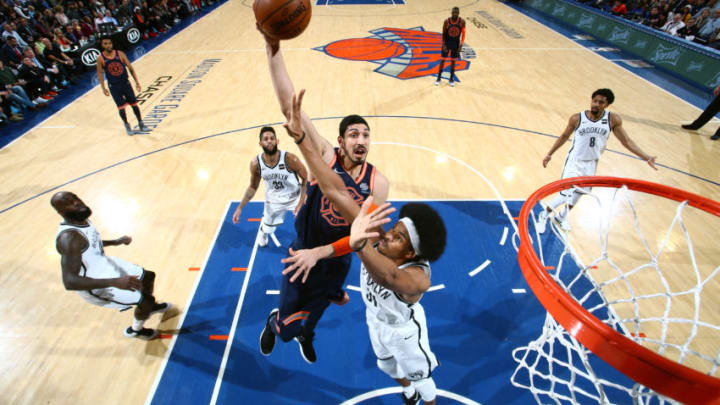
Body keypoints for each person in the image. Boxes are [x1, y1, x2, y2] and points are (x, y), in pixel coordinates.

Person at [278, 90, 447, 405]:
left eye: (397, 236)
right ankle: (407, 391)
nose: (386, 234)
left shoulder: (415, 278)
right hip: (376, 321)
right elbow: (333, 189)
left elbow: (389, 278)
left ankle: (423, 397)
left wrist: (358, 243)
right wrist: (301, 139)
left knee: (424, 383)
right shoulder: (378, 240)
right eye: (392, 227)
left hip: (405, 333)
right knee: (386, 365)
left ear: (410, 254)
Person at [257, 27, 390, 364]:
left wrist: (323, 254)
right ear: (341, 140)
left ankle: (307, 333)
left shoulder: (378, 183)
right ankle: (275, 326)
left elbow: (363, 238)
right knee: (288, 327)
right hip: (301, 256)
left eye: (366, 135)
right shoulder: (324, 159)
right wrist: (273, 48)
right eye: (353, 134)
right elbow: (291, 106)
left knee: (316, 313)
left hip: (335, 259)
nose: (361, 140)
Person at [51, 191, 171, 340]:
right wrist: (115, 282)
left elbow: (90, 243)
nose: (76, 202)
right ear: (61, 212)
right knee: (145, 300)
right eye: (69, 202)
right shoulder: (68, 238)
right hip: (94, 284)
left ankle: (149, 308)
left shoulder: (82, 219)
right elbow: (69, 281)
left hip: (104, 264)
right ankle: (136, 330)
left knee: (148, 276)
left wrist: (115, 242)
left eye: (75, 197)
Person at [537, 89, 657, 232]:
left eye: (601, 102)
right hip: (575, 161)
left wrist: (646, 157)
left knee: (579, 194)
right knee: (566, 194)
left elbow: (627, 142)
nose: (596, 104)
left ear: (607, 105)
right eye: (595, 101)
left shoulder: (613, 120)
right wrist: (550, 154)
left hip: (591, 163)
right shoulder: (577, 118)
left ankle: (561, 217)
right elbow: (564, 136)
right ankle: (544, 215)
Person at [232, 126, 308, 247]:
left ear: (277, 141)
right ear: (260, 143)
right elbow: (252, 187)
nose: (269, 141)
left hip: (295, 197)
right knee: (268, 229)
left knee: (308, 224)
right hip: (274, 200)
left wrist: (300, 203)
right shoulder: (256, 164)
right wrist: (240, 207)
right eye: (266, 139)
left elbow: (305, 179)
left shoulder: (290, 159)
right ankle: (263, 232)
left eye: (272, 138)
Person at [96, 37, 148, 135]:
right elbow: (99, 73)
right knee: (121, 108)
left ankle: (141, 123)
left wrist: (137, 82)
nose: (108, 45)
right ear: (102, 45)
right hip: (114, 86)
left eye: (110, 43)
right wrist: (103, 88)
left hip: (125, 83)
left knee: (134, 104)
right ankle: (127, 126)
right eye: (106, 44)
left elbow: (130, 68)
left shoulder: (120, 54)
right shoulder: (100, 59)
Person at [434, 6, 465, 87]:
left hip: (455, 43)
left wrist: (461, 46)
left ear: (458, 13)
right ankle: (438, 78)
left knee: (453, 62)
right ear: (451, 13)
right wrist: (443, 44)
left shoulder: (462, 22)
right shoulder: (446, 21)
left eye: (456, 13)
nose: (455, 14)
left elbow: (463, 34)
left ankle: (451, 79)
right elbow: (443, 33)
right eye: (453, 12)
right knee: (442, 61)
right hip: (447, 42)